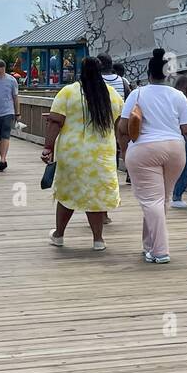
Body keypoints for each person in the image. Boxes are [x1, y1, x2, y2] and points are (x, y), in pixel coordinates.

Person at [118, 49, 187, 264]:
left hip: (145, 149)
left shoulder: (137, 94)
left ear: (148, 74)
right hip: (175, 149)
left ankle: (160, 250)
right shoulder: (177, 96)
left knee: (151, 201)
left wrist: (124, 148)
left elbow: (122, 126)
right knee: (162, 199)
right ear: (167, 74)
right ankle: (148, 244)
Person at [42, 56, 125, 251]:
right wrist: (125, 148)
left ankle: (59, 235)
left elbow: (55, 121)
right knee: (95, 196)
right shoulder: (111, 94)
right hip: (102, 153)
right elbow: (120, 125)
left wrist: (48, 147)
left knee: (67, 193)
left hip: (73, 153)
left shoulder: (68, 92)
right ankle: (98, 240)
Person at [170, 75, 187, 209]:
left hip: (170, 136)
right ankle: (177, 196)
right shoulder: (183, 98)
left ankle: (174, 195)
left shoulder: (171, 97)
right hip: (182, 135)